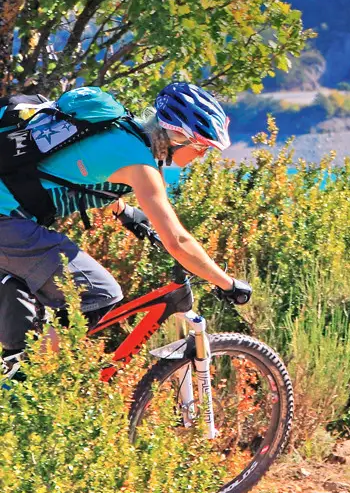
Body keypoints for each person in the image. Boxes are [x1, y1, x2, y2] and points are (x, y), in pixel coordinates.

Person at [0, 82, 250, 361]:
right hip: (6, 222)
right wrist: (227, 283)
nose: (202, 155)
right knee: (100, 293)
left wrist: (124, 212)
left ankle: (15, 372)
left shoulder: (120, 129)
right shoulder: (139, 164)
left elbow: (73, 168)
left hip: (9, 219)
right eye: (202, 146)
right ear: (178, 136)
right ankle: (31, 374)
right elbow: (178, 241)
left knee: (22, 330)